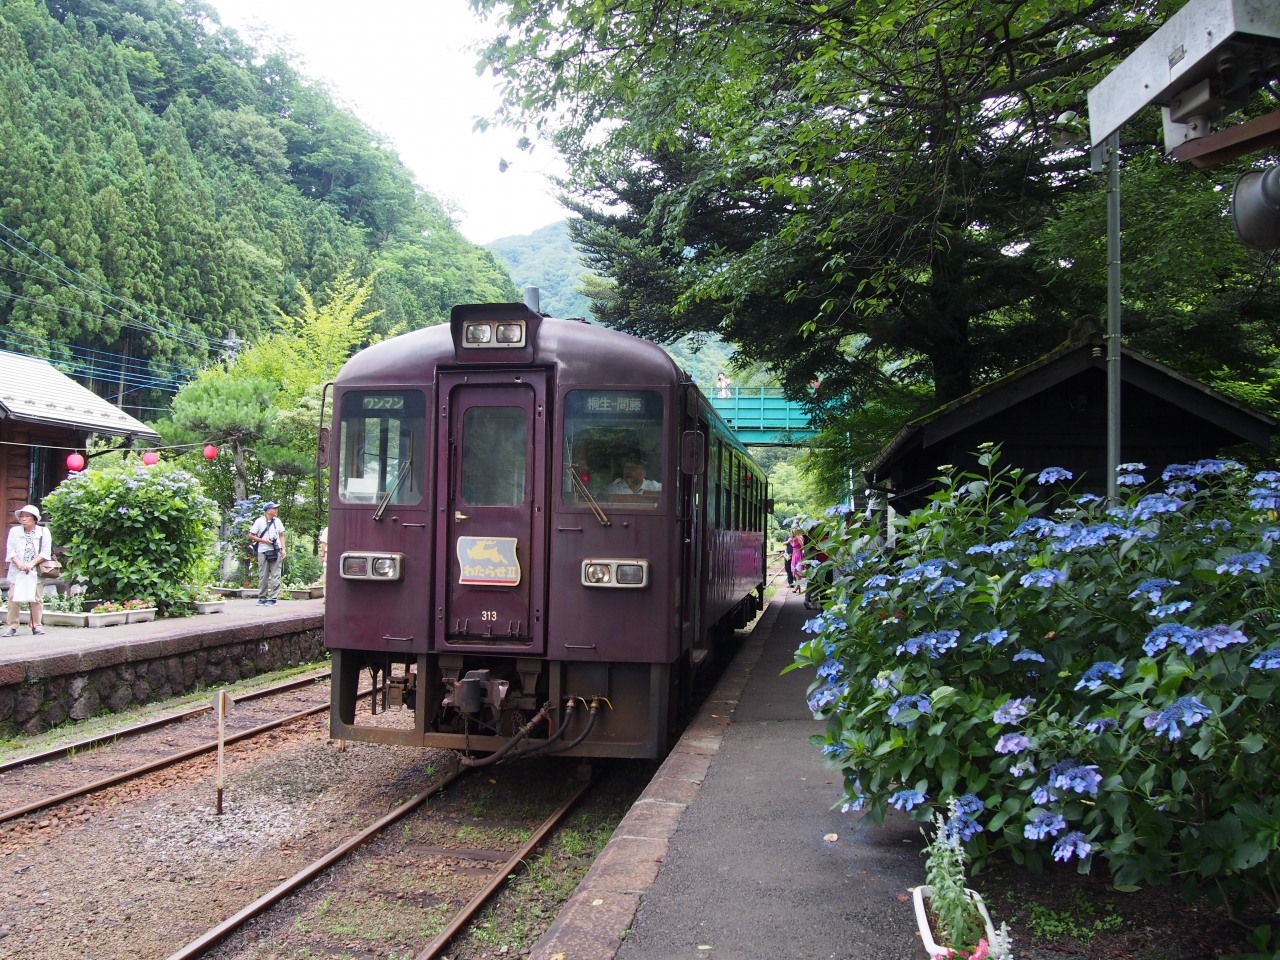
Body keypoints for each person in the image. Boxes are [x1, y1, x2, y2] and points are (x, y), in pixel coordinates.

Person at [4, 505, 51, 636]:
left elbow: (45, 552)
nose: (23, 519)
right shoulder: (15, 531)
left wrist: (31, 564)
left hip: (35, 569)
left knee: (36, 598)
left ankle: (36, 626)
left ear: (34, 518)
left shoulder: (43, 531)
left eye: (27, 516)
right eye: (22, 516)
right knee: (13, 597)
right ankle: (12, 626)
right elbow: (10, 549)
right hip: (17, 570)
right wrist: (20, 564)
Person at [248, 502, 286, 605]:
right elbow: (251, 535)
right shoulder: (259, 521)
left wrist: (283, 549)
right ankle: (262, 598)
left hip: (275, 550)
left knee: (275, 575)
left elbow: (281, 535)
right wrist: (264, 540)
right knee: (263, 575)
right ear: (268, 510)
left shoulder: (278, 521)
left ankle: (273, 598)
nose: (276, 510)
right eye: (274, 509)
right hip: (263, 551)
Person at [788, 528, 805, 594]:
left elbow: (802, 545)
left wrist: (797, 537)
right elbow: (793, 546)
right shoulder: (794, 537)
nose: (794, 532)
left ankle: (797, 585)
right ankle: (797, 585)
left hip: (798, 554)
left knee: (797, 570)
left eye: (795, 531)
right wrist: (790, 541)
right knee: (795, 571)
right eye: (793, 531)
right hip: (794, 554)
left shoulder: (799, 536)